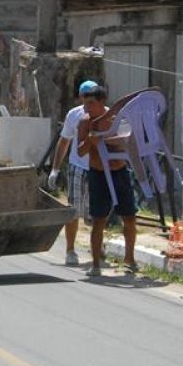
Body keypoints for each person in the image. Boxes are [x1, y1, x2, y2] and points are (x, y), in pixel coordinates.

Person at [77, 83, 138, 277]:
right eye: (85, 104)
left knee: (128, 217)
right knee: (98, 221)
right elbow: (80, 151)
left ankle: (130, 259)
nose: (87, 108)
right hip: (98, 174)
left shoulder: (116, 119)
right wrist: (89, 141)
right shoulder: (85, 122)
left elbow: (129, 141)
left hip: (119, 172)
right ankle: (96, 263)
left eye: (91, 103)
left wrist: (110, 140)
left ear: (102, 102)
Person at [48, 80, 100, 267]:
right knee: (73, 210)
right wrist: (55, 169)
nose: (88, 102)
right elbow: (64, 142)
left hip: (98, 169)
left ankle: (97, 248)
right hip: (78, 168)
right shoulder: (74, 115)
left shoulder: (105, 114)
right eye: (85, 98)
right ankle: (70, 250)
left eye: (92, 97)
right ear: (81, 98)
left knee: (96, 213)